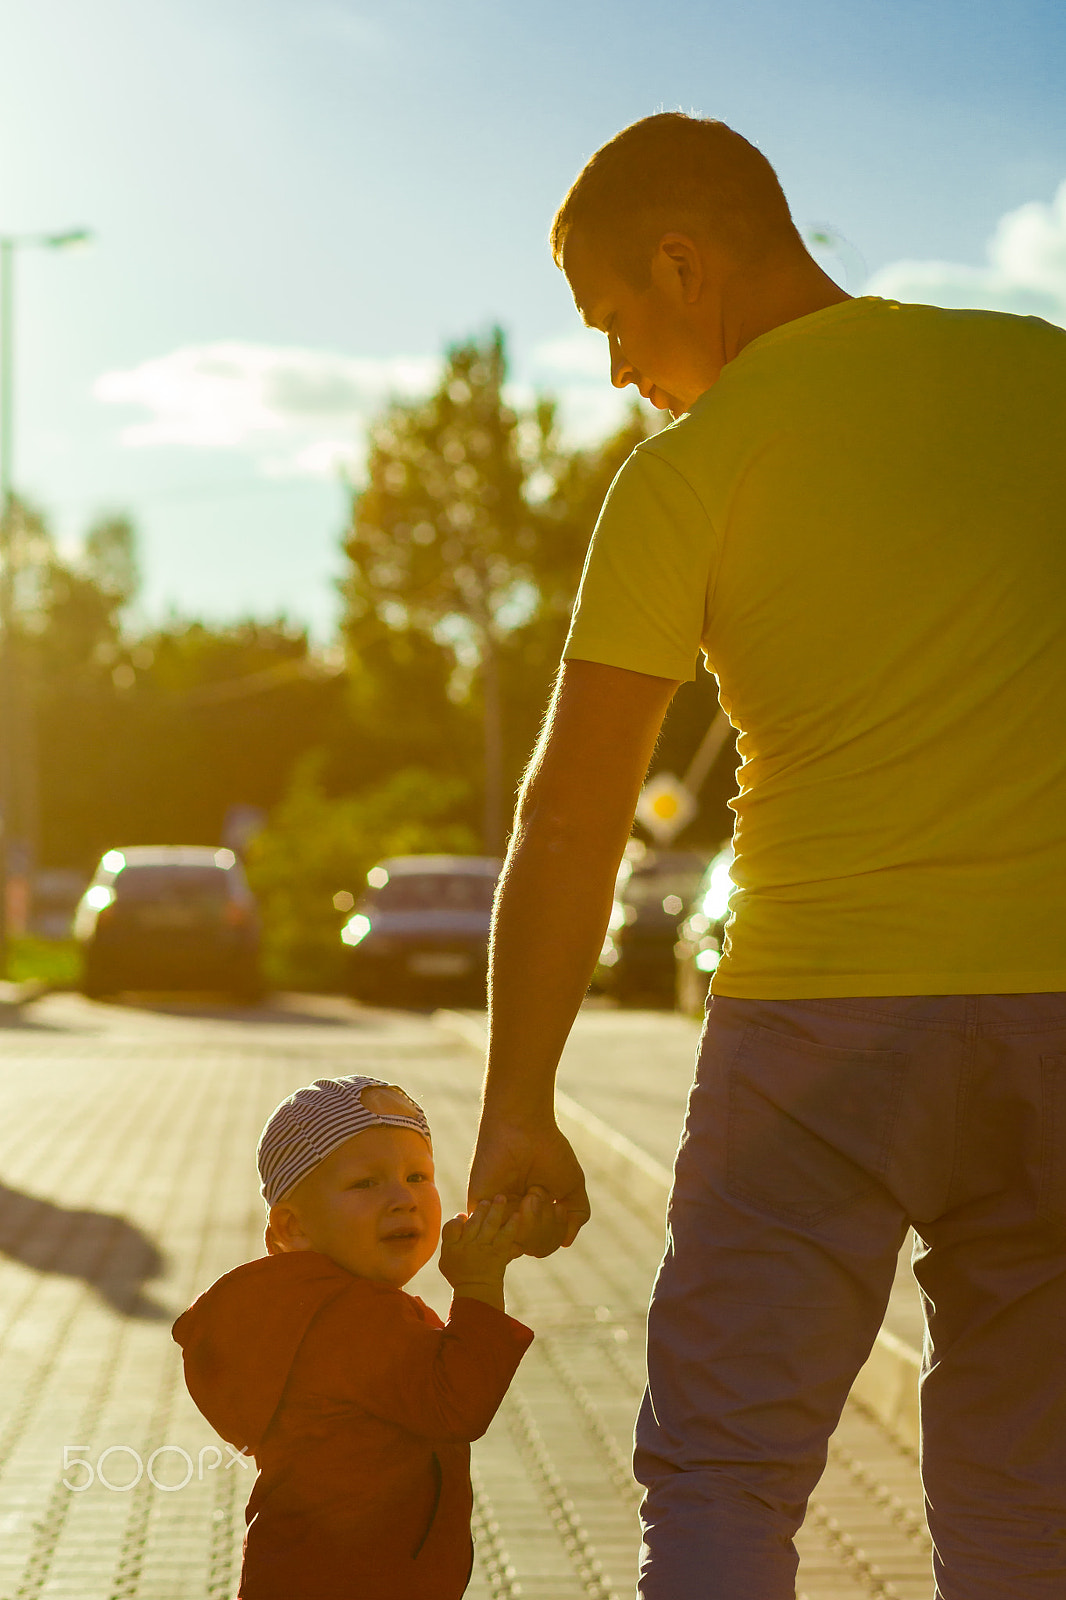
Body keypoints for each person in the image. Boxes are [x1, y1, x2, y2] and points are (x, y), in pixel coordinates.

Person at [467, 111, 1066, 1599]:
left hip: (817, 1025)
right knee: (1029, 1484)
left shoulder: (691, 471)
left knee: (725, 1473)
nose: (613, 369)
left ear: (682, 262)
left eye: (611, 319)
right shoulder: (1042, 375)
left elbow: (571, 810)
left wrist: (520, 1102)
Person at [173, 1074, 539, 1600]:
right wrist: (479, 1285)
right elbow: (458, 1402)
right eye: (366, 1183)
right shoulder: (346, 1316)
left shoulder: (312, 1306)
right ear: (291, 1228)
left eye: (418, 1176)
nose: (403, 1199)